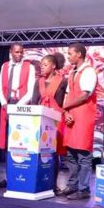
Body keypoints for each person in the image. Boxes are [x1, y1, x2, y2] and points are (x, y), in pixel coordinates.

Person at [60, 42, 98, 200]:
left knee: (83, 154)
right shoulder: (72, 72)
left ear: (79, 54)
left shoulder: (88, 71)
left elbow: (84, 95)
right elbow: (68, 95)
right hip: (71, 117)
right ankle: (73, 185)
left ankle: (84, 189)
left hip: (83, 117)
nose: (68, 56)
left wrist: (65, 107)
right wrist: (66, 111)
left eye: (70, 53)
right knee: (70, 154)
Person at [36, 54, 68, 195]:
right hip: (41, 119)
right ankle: (39, 181)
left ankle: (53, 184)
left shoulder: (63, 81)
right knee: (40, 152)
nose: (42, 67)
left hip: (56, 120)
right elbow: (34, 101)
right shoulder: (39, 82)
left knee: (54, 153)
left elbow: (65, 101)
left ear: (53, 66)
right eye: (41, 65)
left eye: (45, 64)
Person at [0, 43, 36, 150]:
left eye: (21, 52)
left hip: (21, 104)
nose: (20, 54)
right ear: (11, 52)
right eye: (17, 52)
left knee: (20, 135)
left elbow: (31, 91)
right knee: (6, 135)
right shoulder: (5, 66)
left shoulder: (30, 67)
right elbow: (0, 88)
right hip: (7, 104)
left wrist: (17, 107)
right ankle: (6, 158)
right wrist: (4, 103)